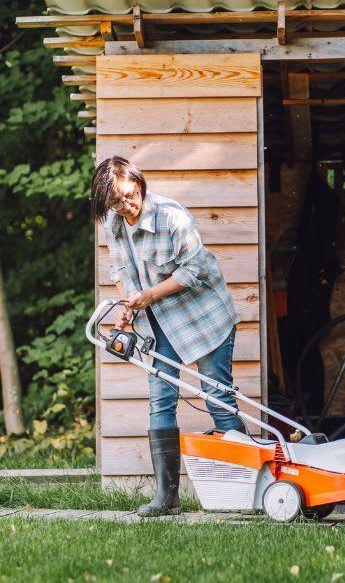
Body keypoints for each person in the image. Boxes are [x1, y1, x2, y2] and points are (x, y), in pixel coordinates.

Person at [90, 156, 244, 517]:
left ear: (139, 184)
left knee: (216, 395)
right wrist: (128, 304)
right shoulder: (113, 222)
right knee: (160, 400)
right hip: (155, 321)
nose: (127, 205)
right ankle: (167, 498)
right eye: (116, 201)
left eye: (130, 195)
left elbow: (196, 269)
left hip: (203, 314)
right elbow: (119, 267)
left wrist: (150, 295)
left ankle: (241, 493)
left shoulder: (172, 216)